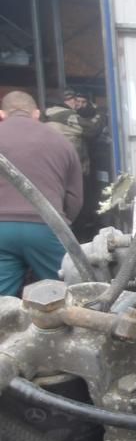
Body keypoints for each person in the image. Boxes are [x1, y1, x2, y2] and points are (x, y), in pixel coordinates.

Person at [0, 91, 83, 296]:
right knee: (64, 294)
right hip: (47, 225)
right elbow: (75, 198)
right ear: (36, 114)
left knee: (2, 300)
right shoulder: (62, 141)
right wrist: (61, 225)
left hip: (1, 228)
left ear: (2, 114)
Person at [45, 88, 103, 175]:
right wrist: (100, 112)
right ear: (67, 101)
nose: (77, 103)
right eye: (75, 100)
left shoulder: (47, 114)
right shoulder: (67, 116)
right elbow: (92, 128)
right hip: (71, 168)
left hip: (55, 164)